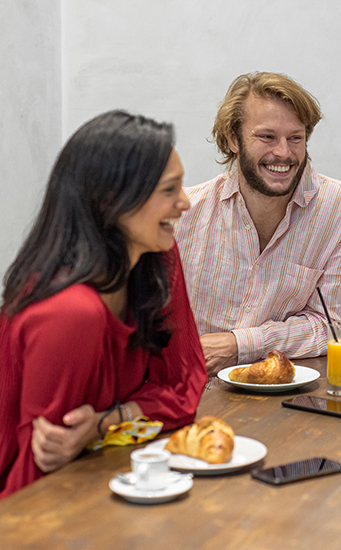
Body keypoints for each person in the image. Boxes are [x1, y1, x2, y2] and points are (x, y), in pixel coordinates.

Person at [0, 111, 207, 499]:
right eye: (169, 190)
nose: (186, 202)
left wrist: (104, 424)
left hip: (100, 482)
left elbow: (184, 390)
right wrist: (122, 420)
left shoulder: (157, 258)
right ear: (112, 201)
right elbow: (36, 477)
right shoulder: (71, 312)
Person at [175, 72, 341, 376]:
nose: (284, 153)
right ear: (234, 139)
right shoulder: (183, 214)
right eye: (267, 137)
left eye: (295, 138)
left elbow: (332, 328)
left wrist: (239, 345)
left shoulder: (334, 206)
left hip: (282, 403)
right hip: (192, 395)